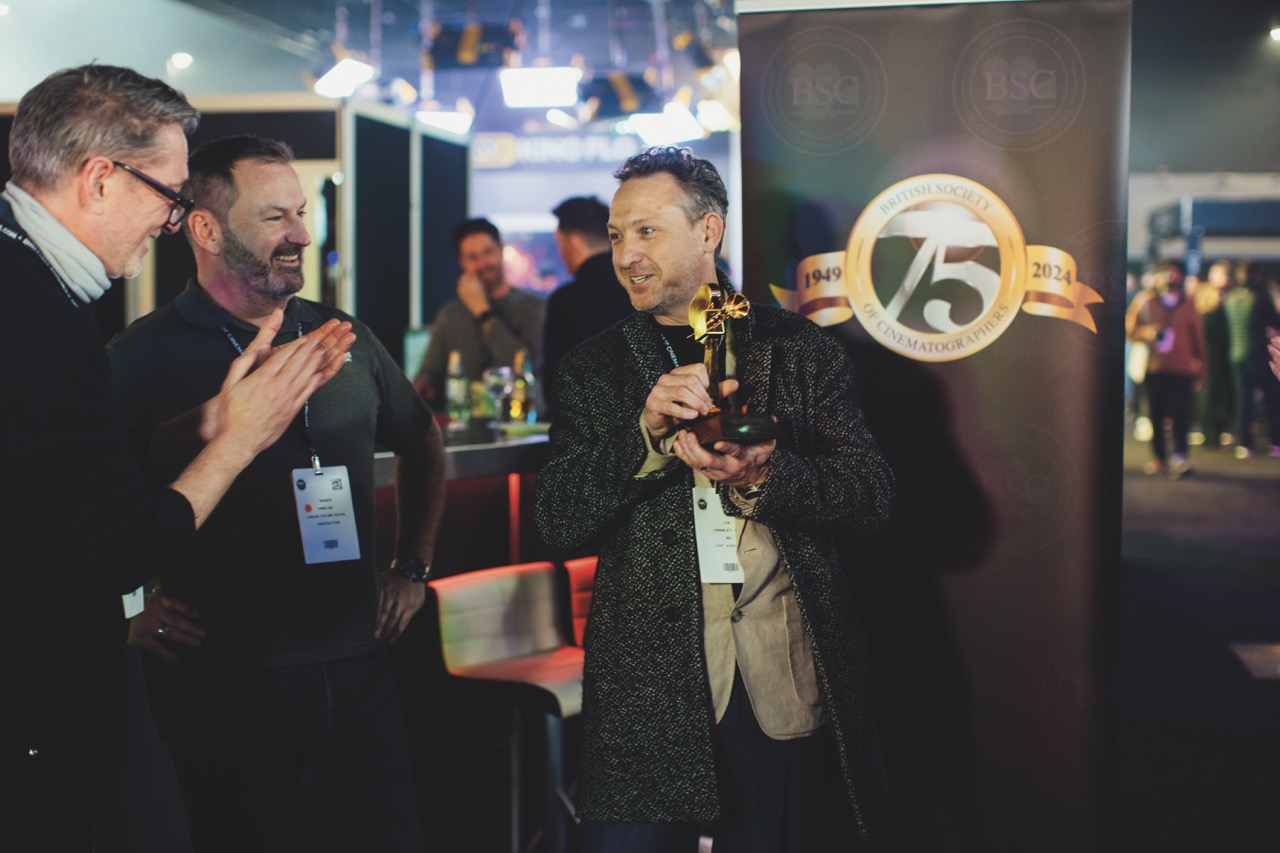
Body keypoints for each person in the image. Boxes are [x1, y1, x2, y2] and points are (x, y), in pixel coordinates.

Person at [0, 67, 353, 852]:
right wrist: (239, 438)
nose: (170, 220)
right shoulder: (38, 315)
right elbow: (123, 544)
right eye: (166, 192)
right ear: (98, 179)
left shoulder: (28, 282)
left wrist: (208, 423)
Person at [534, 146, 896, 852]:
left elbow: (872, 495)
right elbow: (555, 517)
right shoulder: (594, 368)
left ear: (708, 231)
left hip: (778, 676)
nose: (626, 254)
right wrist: (643, 434)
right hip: (648, 686)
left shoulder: (799, 350)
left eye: (646, 231)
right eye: (615, 235)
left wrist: (766, 473)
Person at [107, 135, 445, 852]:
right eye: (273, 218)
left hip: (358, 669)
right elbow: (75, 504)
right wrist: (125, 611)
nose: (300, 234)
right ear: (204, 228)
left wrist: (412, 569)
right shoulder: (139, 356)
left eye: (300, 213)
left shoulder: (339, 336)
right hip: (224, 682)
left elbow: (423, 440)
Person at [413, 217, 546, 404]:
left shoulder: (535, 308)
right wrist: (421, 385)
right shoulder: (450, 314)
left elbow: (523, 371)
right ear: (462, 263)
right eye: (472, 258)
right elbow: (428, 373)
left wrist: (483, 312)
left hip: (521, 425)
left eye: (488, 252)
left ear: (500, 250)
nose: (483, 264)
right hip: (465, 425)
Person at [542, 195, 635, 411]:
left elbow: (555, 389)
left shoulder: (566, 300)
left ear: (571, 242)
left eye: (559, 243)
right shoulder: (640, 289)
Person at [1126, 259, 1206, 477]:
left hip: (1182, 369)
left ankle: (1180, 456)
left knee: (1182, 415)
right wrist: (1148, 333)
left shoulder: (1188, 303)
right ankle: (1158, 458)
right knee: (1156, 415)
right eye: (1166, 273)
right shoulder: (1145, 300)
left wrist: (1201, 369)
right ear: (1157, 276)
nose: (1171, 277)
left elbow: (1198, 338)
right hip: (1154, 369)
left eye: (1175, 273)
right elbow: (1129, 329)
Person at [1222, 262, 1280, 458]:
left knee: (1243, 401)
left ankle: (1245, 445)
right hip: (1259, 354)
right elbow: (1275, 321)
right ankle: (1276, 443)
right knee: (1272, 399)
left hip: (1236, 354)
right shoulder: (1260, 298)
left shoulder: (1230, 298)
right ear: (1255, 275)